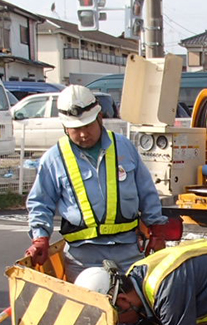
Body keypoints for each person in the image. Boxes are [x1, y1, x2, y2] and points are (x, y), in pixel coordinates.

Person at [24, 84, 168, 281]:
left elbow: (146, 192)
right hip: (82, 256)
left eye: (87, 125)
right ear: (65, 127)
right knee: (89, 311)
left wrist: (157, 231)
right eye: (75, 129)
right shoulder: (54, 158)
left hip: (128, 251)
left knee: (137, 308)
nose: (83, 134)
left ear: (100, 118)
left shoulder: (123, 147)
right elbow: (41, 202)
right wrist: (40, 238)